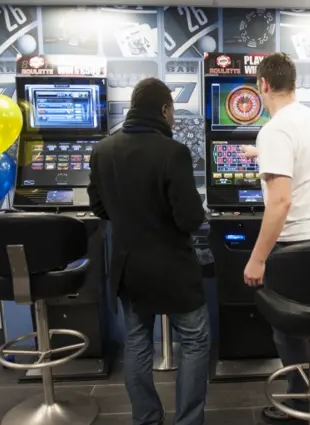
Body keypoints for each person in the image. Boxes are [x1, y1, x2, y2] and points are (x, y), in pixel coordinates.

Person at [88, 78, 210, 425]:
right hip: (174, 269)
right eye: (172, 112)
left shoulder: (103, 150)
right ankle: (188, 421)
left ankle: (146, 418)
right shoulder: (173, 152)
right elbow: (188, 219)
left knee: (138, 344)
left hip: (129, 269)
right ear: (164, 110)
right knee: (195, 342)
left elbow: (98, 206)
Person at [242, 53, 310, 423]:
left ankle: (300, 406)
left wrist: (258, 258)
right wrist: (261, 154)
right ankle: (309, 391)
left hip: (295, 245)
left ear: (263, 85)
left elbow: (280, 202)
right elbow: (297, 159)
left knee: (287, 331)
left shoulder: (275, 128)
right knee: (302, 327)